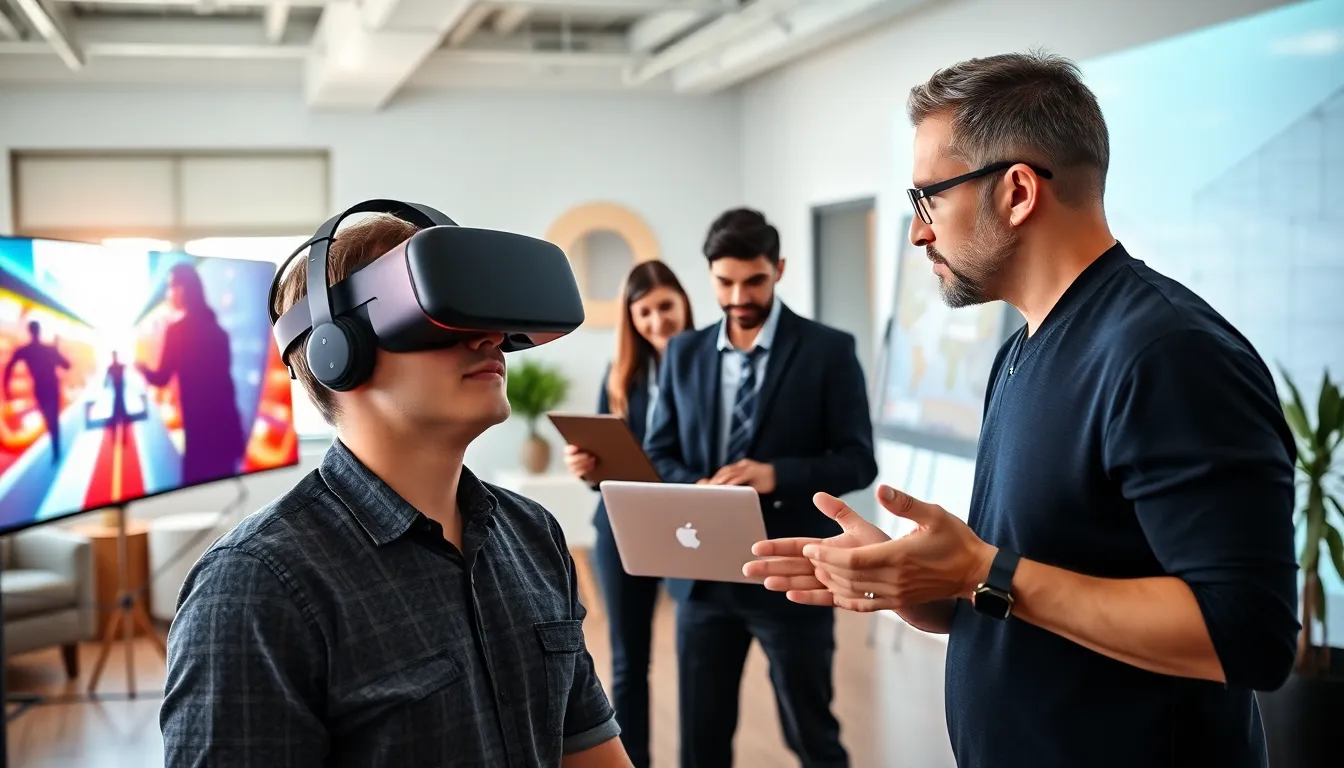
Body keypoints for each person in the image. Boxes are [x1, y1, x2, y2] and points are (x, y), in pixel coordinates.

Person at [744, 51, 1300, 768]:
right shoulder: (1022, 349)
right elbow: (1032, 581)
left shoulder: (1166, 355)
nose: (919, 232)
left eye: (928, 200)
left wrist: (983, 570)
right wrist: (920, 584)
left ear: (1015, 192)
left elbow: (1248, 636)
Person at [160, 213, 632, 768]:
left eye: (484, 312)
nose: (489, 337)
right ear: (338, 349)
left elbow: (589, 751)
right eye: (438, 314)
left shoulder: (533, 535)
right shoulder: (257, 589)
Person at [645, 208, 877, 768]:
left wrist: (776, 475)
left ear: (779, 269)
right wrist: (695, 486)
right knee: (701, 742)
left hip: (793, 574)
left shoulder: (829, 350)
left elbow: (859, 461)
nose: (739, 296)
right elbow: (659, 452)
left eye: (754, 281)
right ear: (710, 277)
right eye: (725, 282)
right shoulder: (684, 353)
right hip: (703, 580)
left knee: (811, 735)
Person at [562, 260, 694, 768]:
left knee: (696, 656)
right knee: (626, 662)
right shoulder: (619, 375)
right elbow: (601, 465)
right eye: (645, 313)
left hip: (689, 525)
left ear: (683, 302)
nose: (658, 321)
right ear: (631, 319)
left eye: (666, 306)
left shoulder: (710, 362)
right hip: (622, 526)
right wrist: (585, 466)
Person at [136, 262, 247, 486]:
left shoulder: (177, 331)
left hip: (201, 433)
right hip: (227, 428)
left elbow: (161, 378)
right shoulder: (217, 330)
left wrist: (141, 367)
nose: (169, 294)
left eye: (171, 286)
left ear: (184, 289)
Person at [3, 319, 70, 463]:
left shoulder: (26, 350)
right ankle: (56, 448)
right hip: (52, 387)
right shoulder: (49, 349)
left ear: (30, 332)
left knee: (50, 419)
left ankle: (55, 449)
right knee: (53, 420)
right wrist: (56, 350)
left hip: (40, 389)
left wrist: (6, 389)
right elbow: (67, 365)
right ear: (40, 331)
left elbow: (9, 367)